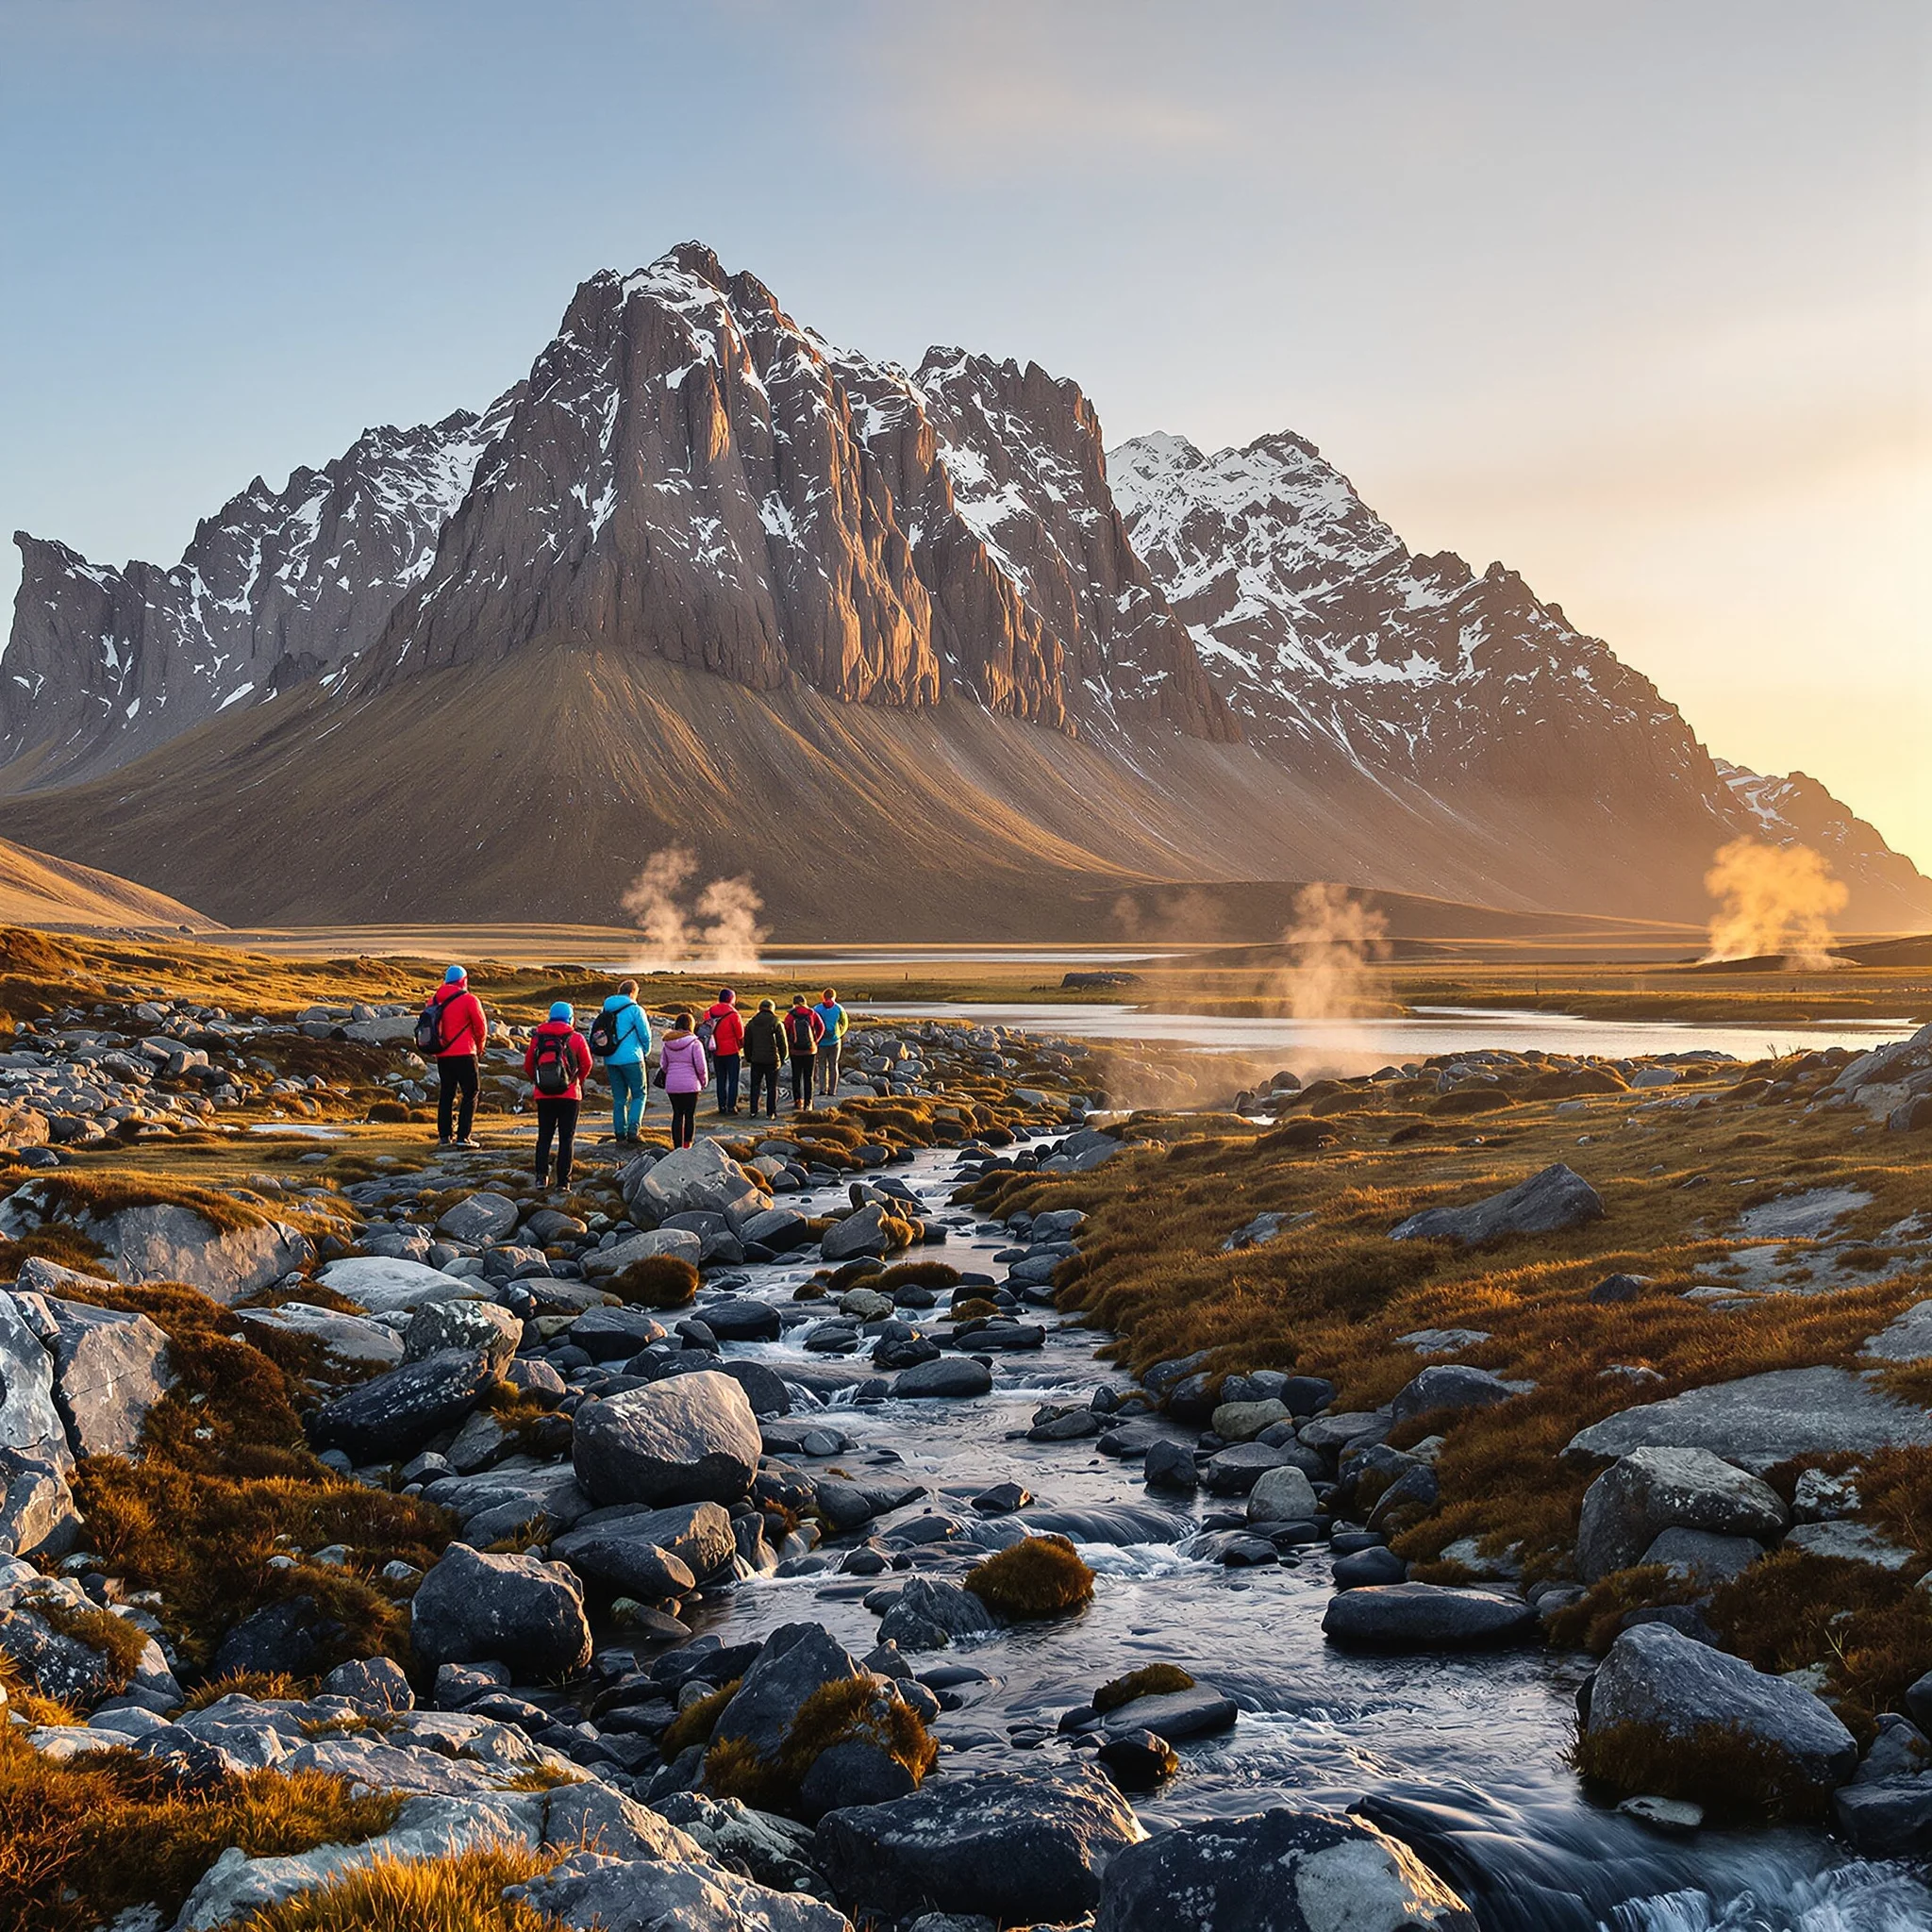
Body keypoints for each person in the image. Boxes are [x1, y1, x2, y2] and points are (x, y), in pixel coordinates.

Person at [524, 1001, 592, 1191]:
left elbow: (529, 1065)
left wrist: (539, 1082)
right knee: (566, 1138)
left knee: (544, 1136)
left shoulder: (538, 1038)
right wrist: (577, 1080)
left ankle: (540, 1177)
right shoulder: (576, 1038)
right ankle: (563, 1181)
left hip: (544, 1096)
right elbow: (587, 1064)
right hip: (569, 1095)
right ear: (570, 1018)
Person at [425, 965, 489, 1148]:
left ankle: (444, 1136)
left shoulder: (434, 1000)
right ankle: (464, 1136)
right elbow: (480, 1027)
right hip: (465, 1053)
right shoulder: (469, 1000)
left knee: (446, 1093)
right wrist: (480, 1046)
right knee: (471, 1092)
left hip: (443, 1054)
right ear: (464, 981)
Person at [591, 978, 652, 1143]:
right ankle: (634, 1130)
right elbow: (645, 1035)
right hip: (633, 1058)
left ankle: (619, 1132)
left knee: (619, 1098)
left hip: (611, 1058)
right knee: (639, 1094)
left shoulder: (606, 1008)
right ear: (633, 992)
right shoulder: (635, 1010)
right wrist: (645, 1052)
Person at [658, 1009, 708, 1150]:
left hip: (672, 1085)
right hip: (691, 1085)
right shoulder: (695, 1043)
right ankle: (687, 1145)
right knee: (690, 1116)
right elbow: (701, 1067)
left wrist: (672, 1076)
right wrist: (703, 1081)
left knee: (677, 1115)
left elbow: (664, 1065)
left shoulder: (667, 1042)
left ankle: (677, 1146)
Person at [701, 988, 745, 1116]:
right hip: (731, 1051)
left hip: (716, 1051)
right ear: (732, 999)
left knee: (721, 1079)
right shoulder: (734, 1014)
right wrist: (741, 1046)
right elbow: (740, 1034)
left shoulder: (709, 1013)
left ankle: (721, 1106)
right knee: (733, 1080)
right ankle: (731, 1106)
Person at [782, 994, 824, 1113]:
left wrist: (789, 1044)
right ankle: (808, 1102)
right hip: (810, 1050)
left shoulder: (790, 1015)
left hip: (795, 1051)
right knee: (808, 1077)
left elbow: (785, 1029)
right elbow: (821, 1027)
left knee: (796, 1076)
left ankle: (797, 1101)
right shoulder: (812, 1013)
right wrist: (815, 1041)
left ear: (794, 1003)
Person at [742, 998, 784, 1120]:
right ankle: (770, 1112)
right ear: (772, 1008)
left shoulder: (752, 1022)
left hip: (756, 1059)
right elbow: (782, 1042)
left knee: (755, 1086)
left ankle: (753, 1111)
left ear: (759, 1008)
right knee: (772, 1087)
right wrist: (782, 1057)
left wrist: (748, 1057)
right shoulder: (776, 1022)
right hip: (772, 1060)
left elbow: (747, 1043)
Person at [811, 987, 848, 1103]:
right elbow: (845, 1024)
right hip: (834, 1041)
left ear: (824, 996)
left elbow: (812, 1024)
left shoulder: (817, 1008)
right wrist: (839, 1034)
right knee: (833, 1065)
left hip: (821, 1042)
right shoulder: (839, 1008)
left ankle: (822, 1089)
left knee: (822, 1066)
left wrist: (815, 1037)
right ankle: (832, 1090)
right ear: (834, 996)